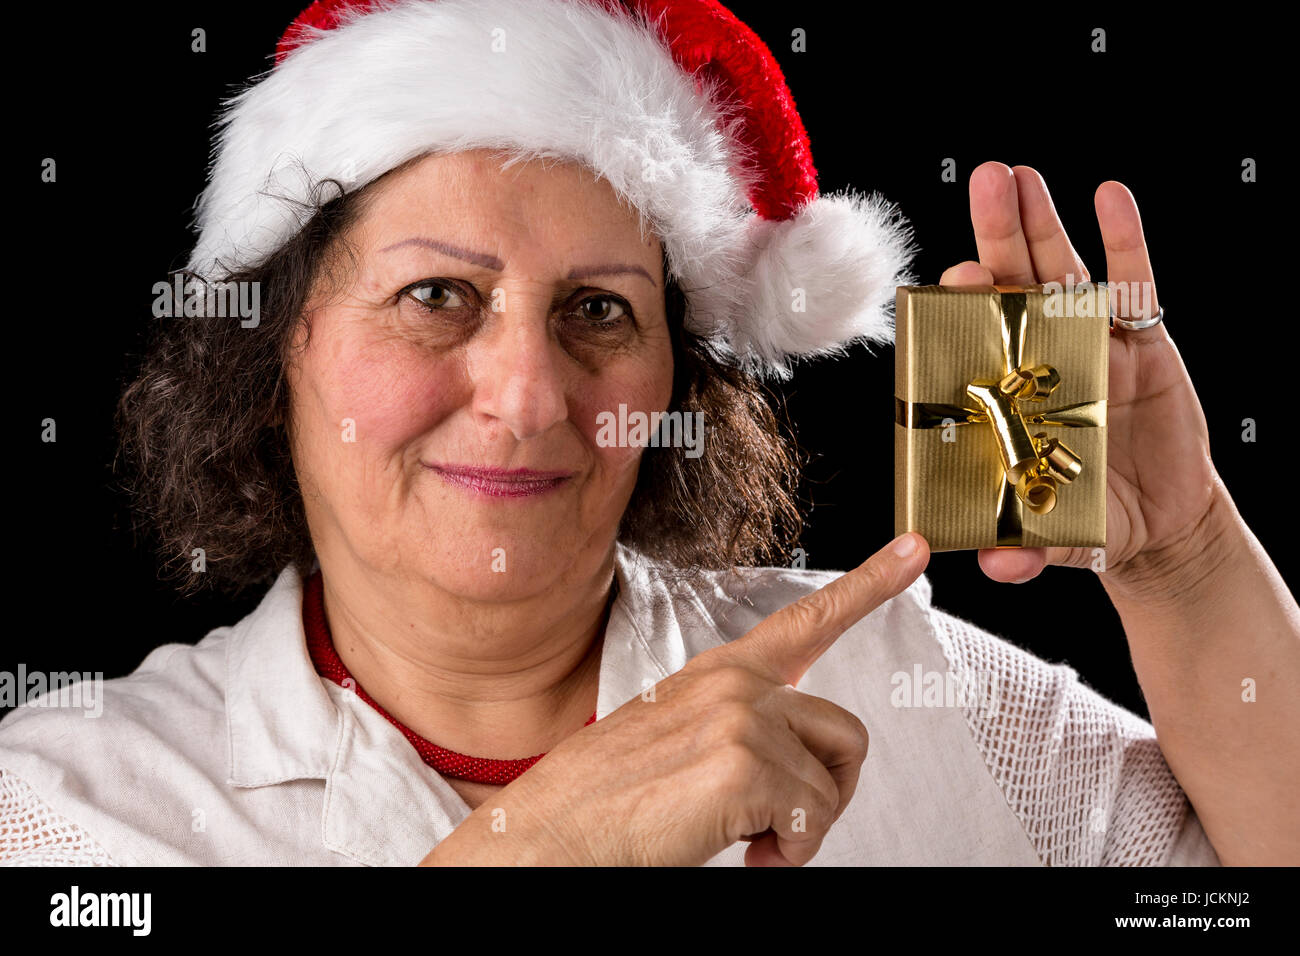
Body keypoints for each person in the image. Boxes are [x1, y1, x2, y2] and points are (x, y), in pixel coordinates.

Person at [1, 0, 1295, 867]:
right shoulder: (67, 806)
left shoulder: (904, 687)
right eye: (436, 297)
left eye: (598, 312)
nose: (526, 395)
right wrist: (547, 846)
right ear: (280, 341)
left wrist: (1184, 559)